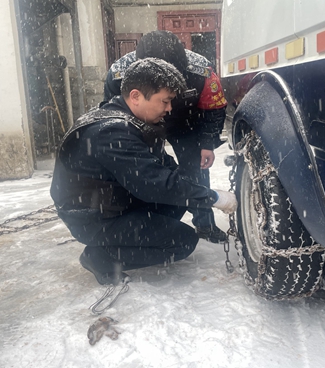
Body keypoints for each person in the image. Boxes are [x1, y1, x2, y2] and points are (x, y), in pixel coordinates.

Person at [50, 58, 237, 286]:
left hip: (112, 204)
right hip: (91, 218)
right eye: (165, 101)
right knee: (183, 241)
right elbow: (155, 184)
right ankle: (101, 257)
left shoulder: (130, 121)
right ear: (136, 96)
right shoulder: (111, 132)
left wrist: (193, 190)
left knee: (178, 199)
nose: (169, 108)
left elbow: (166, 171)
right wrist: (214, 198)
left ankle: (127, 239)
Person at [102, 30, 228, 243]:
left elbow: (214, 108)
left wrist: (207, 143)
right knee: (144, 172)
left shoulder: (202, 71)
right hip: (142, 125)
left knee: (195, 170)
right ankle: (149, 222)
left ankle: (205, 224)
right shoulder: (119, 74)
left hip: (186, 123)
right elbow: (113, 113)